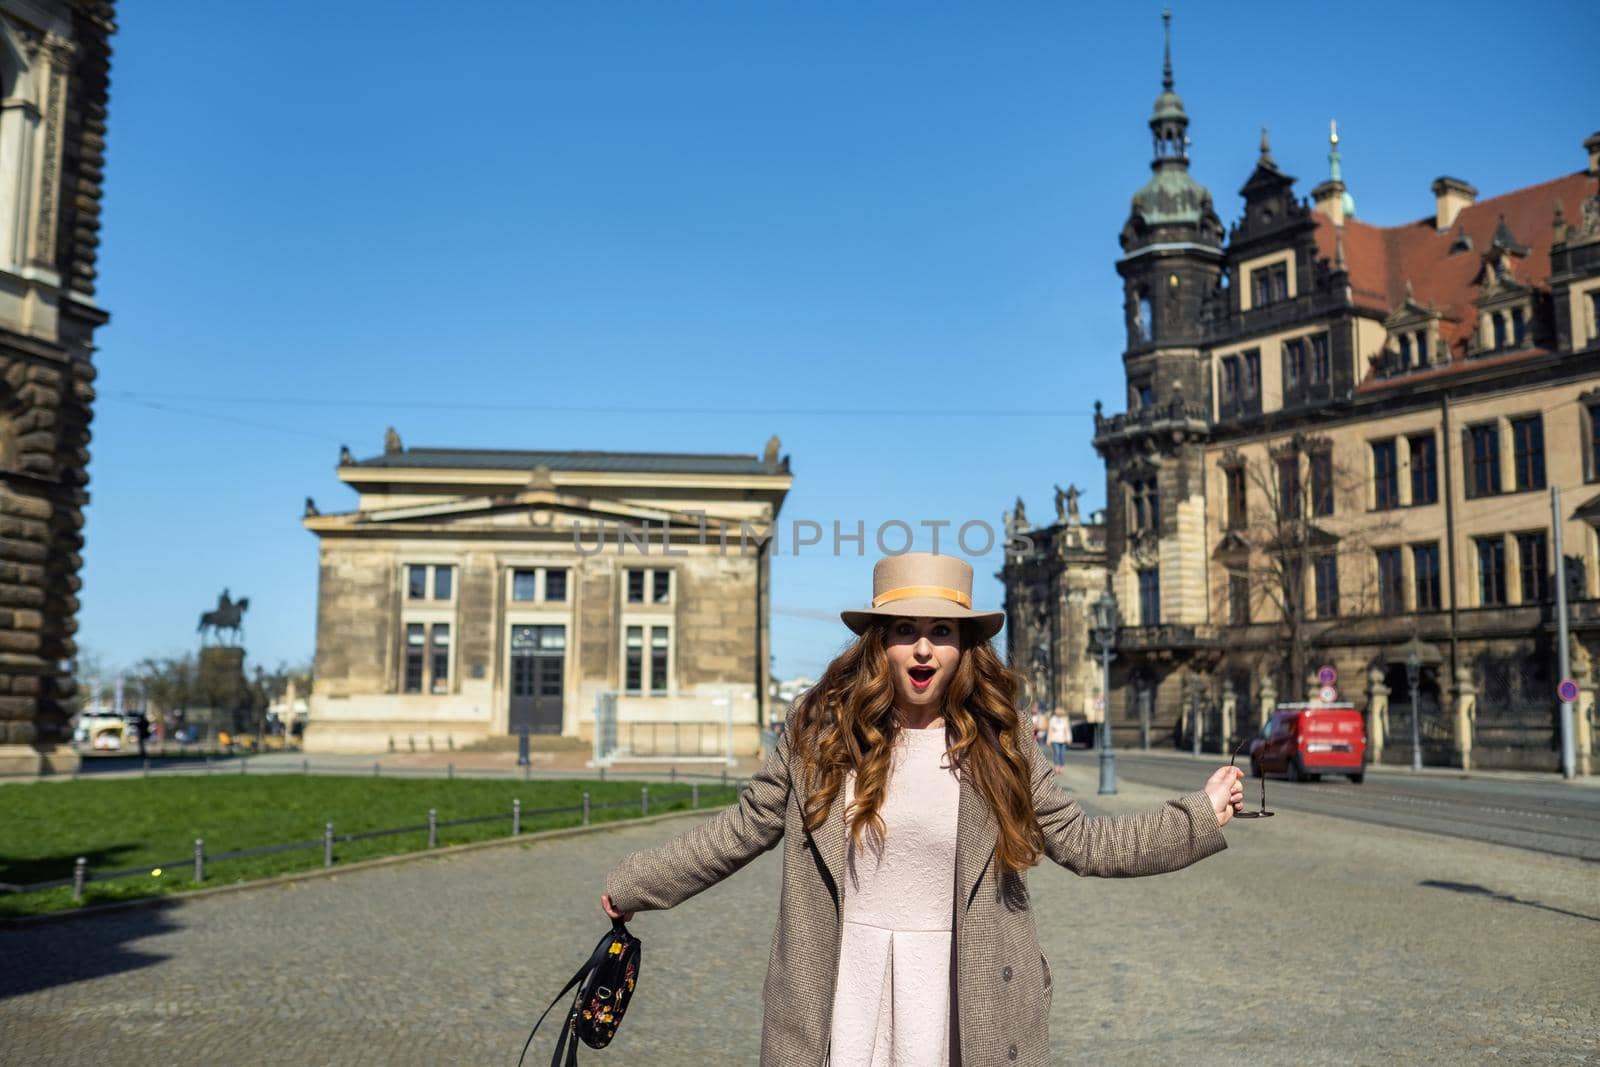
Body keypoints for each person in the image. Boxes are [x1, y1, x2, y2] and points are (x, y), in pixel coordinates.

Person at [601, 552, 1243, 1066]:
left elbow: (1084, 843)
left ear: (966, 645)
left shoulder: (1001, 741)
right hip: (840, 984)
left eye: (941, 631)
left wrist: (1199, 816)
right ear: (879, 643)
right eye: (905, 631)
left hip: (963, 991)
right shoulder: (819, 735)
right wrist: (638, 885)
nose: (923, 650)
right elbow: (741, 829)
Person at [1046, 707, 1071, 773]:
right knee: (1057, 753)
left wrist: (1069, 738)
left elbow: (1067, 730)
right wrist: (1048, 740)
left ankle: (1062, 766)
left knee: (1062, 754)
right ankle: (1057, 766)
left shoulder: (1065, 719)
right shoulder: (1053, 719)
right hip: (1055, 739)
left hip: (1063, 739)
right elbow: (1050, 730)